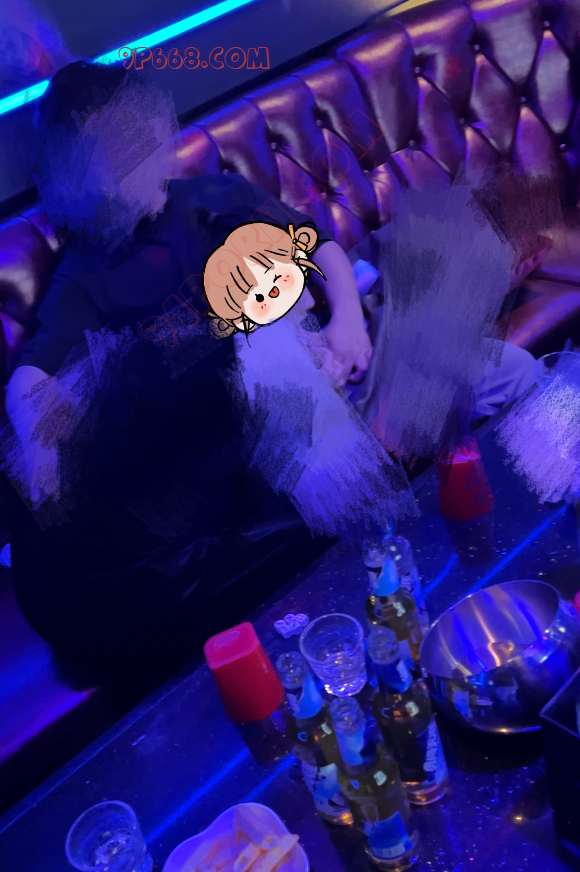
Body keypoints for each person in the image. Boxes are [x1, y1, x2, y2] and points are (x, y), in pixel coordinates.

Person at [2, 61, 538, 699]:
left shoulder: (216, 196)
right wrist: (41, 443)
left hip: (348, 362)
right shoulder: (86, 276)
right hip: (280, 445)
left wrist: (348, 324)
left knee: (512, 374)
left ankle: (529, 549)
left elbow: (322, 250)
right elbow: (32, 376)